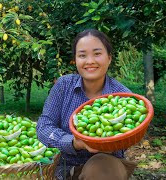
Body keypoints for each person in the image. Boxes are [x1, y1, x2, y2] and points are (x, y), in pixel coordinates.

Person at [36, 29, 137, 180]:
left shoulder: (123, 96)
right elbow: (44, 126)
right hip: (62, 167)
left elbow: (132, 131)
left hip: (105, 168)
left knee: (100, 169)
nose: (89, 61)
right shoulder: (64, 86)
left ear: (109, 58)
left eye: (97, 54)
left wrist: (109, 143)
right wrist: (74, 143)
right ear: (75, 60)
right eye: (82, 55)